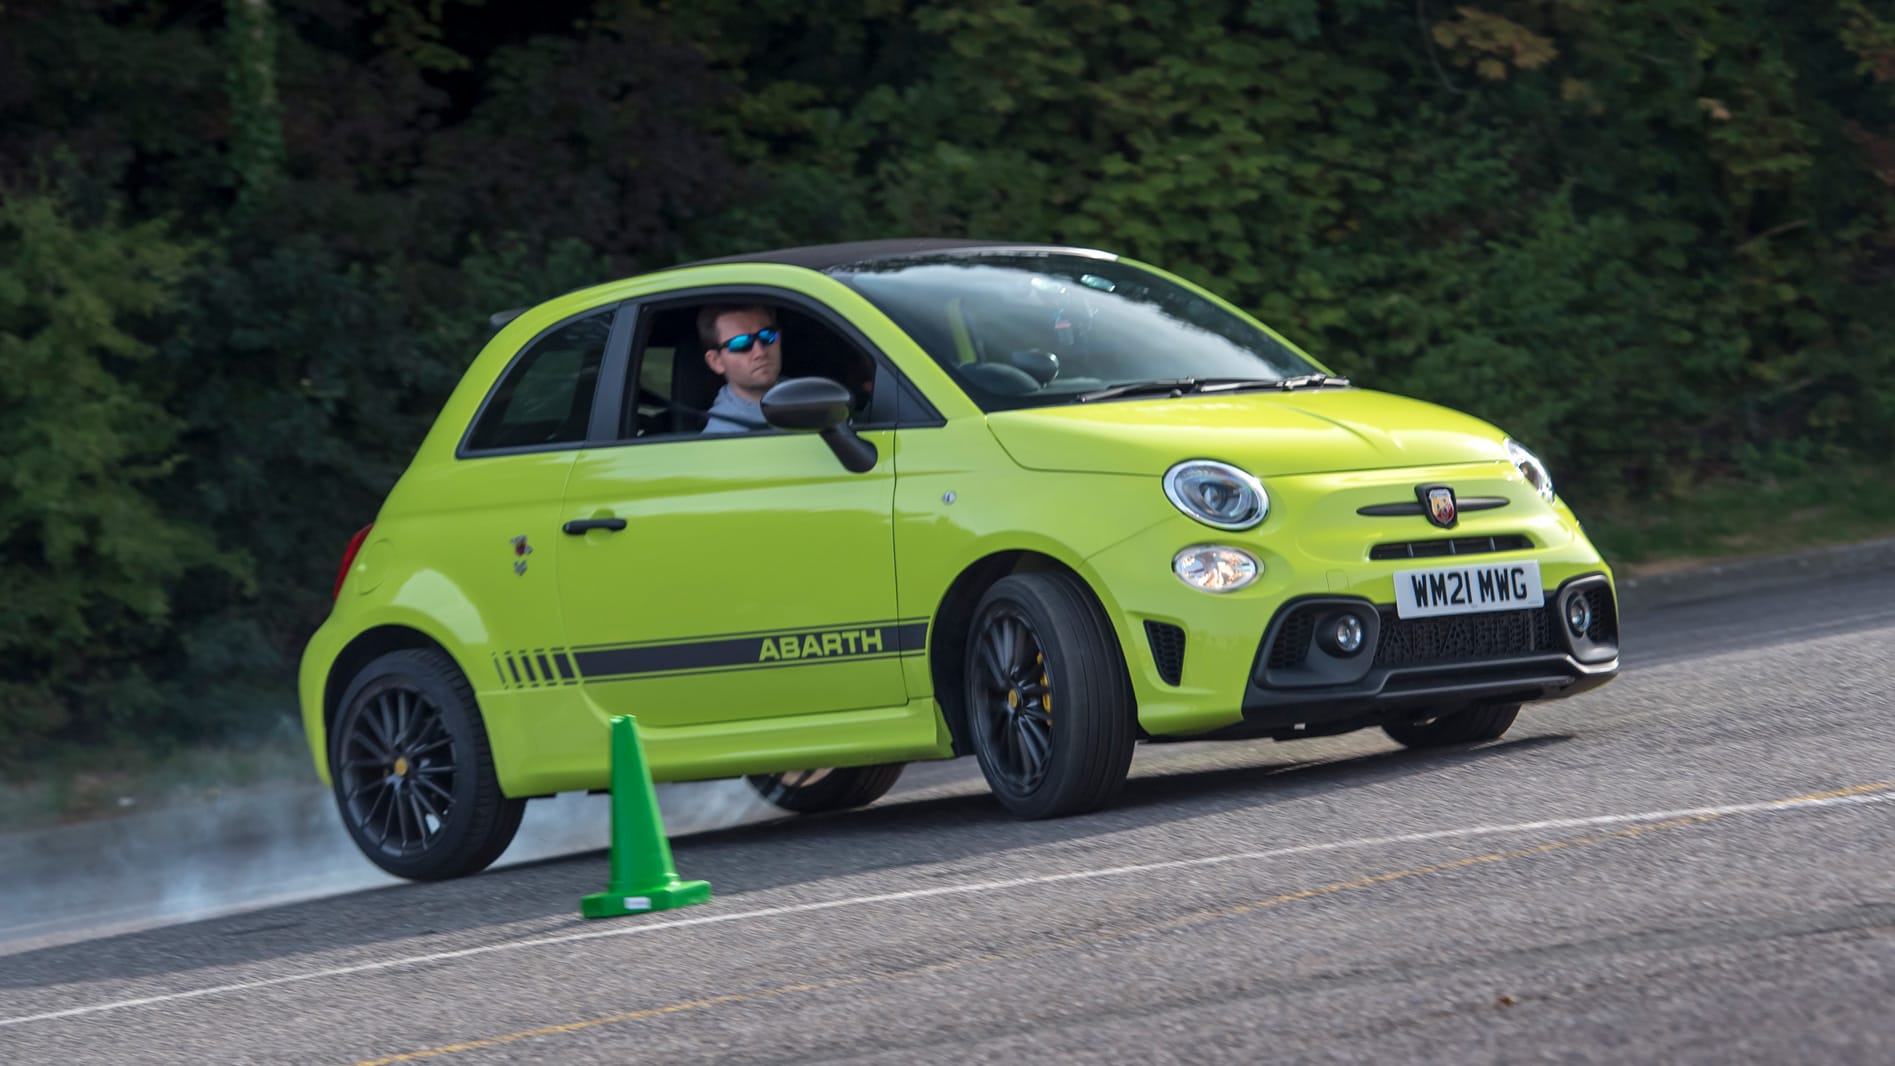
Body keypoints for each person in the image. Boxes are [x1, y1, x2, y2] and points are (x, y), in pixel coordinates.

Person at [697, 303, 782, 434]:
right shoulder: (721, 434)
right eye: (741, 343)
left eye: (767, 336)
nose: (760, 352)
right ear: (716, 361)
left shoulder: (809, 394)